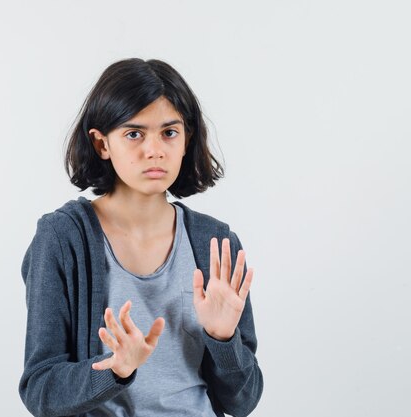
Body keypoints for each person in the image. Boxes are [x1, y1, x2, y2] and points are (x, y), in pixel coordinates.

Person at [19, 58, 263, 417]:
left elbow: (242, 402)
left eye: (169, 132)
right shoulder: (62, 239)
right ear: (102, 144)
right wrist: (115, 369)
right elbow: (40, 390)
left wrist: (224, 340)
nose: (155, 150)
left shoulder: (215, 243)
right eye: (134, 134)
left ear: (186, 139)